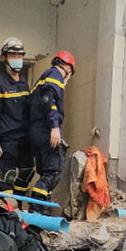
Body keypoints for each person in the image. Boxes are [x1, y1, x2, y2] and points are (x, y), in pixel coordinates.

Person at [28, 51, 75, 214]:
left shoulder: (43, 77)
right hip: (47, 129)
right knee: (52, 172)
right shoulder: (56, 74)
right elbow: (48, 99)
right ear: (68, 68)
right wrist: (54, 127)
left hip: (36, 131)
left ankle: (43, 211)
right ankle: (36, 208)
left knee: (45, 172)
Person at [0, 37, 34, 196]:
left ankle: (20, 204)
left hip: (25, 138)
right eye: (13, 56)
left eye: (20, 56)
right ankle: (8, 209)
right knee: (8, 176)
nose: (17, 60)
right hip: (7, 138)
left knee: (27, 172)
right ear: (5, 58)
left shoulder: (24, 83)